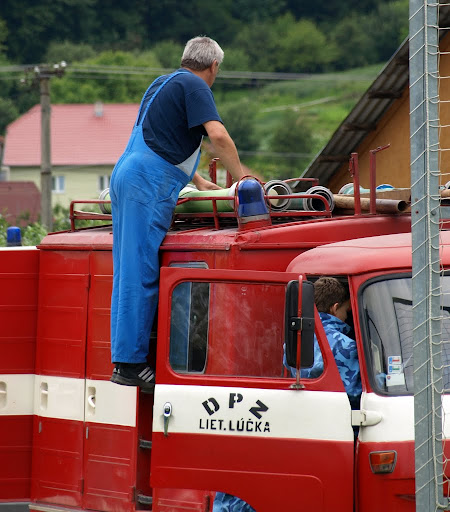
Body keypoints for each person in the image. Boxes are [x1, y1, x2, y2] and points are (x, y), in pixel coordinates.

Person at [109, 36, 245, 389]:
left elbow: (160, 137)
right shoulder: (196, 86)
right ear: (214, 66)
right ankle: (129, 364)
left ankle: (126, 358)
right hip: (147, 183)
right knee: (140, 271)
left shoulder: (163, 83)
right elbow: (218, 136)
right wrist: (244, 180)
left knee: (127, 267)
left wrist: (196, 180)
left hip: (128, 173)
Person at [285, 276, 362, 409]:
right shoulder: (345, 345)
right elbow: (354, 393)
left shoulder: (294, 339)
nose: (346, 317)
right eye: (346, 311)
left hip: (304, 408)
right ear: (334, 308)